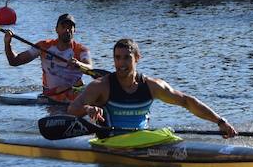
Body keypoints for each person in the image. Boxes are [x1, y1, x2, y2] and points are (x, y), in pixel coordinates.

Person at [68, 38, 237, 138]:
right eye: (117, 58)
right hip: (110, 142)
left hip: (144, 140)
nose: (121, 63)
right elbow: (72, 109)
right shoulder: (101, 87)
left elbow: (187, 102)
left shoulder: (152, 86)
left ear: (137, 58)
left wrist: (220, 122)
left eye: (127, 58)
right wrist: (88, 109)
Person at [3, 13, 94, 102]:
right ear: (56, 29)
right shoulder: (44, 46)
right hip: (51, 94)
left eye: (70, 27)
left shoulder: (81, 50)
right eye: (63, 27)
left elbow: (90, 68)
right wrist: (8, 44)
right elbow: (14, 61)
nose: (67, 30)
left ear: (74, 30)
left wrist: (78, 64)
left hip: (74, 92)